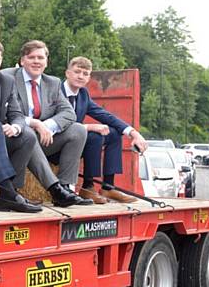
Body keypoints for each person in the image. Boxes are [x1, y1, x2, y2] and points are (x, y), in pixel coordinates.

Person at [0, 39, 80, 208]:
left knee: (30, 135)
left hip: (4, 132)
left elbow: (15, 114)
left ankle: (18, 192)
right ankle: (0, 192)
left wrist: (19, 126)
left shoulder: (7, 80)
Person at [1, 40, 92, 206]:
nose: (36, 61)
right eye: (31, 57)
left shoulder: (53, 83)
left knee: (78, 130)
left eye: (40, 57)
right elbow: (2, 113)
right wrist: (35, 123)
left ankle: (65, 186)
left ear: (46, 62)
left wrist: (48, 126)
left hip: (42, 140)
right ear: (22, 60)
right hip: (12, 138)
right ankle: (54, 190)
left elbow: (68, 113)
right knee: (28, 135)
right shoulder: (8, 77)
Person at [62, 56, 148, 203]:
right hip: (57, 142)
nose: (80, 76)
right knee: (94, 136)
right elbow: (55, 123)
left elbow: (105, 115)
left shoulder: (83, 95)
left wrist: (133, 133)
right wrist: (89, 127)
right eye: (77, 72)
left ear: (89, 78)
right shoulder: (55, 91)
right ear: (67, 73)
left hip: (76, 141)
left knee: (113, 133)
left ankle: (108, 187)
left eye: (85, 73)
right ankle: (87, 187)